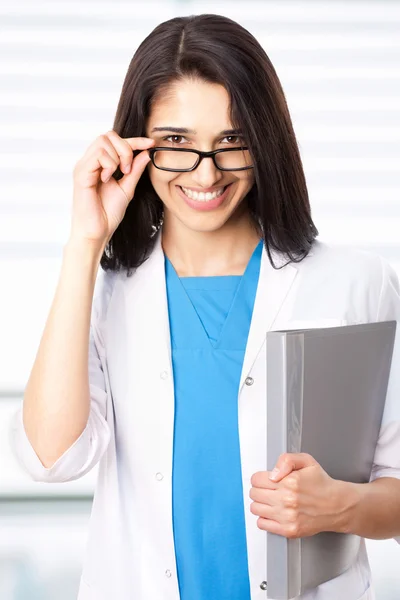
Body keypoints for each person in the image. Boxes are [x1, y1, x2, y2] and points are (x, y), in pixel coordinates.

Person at [9, 13, 400, 600]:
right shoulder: (104, 290)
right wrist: (85, 243)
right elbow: (50, 459)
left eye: (231, 141)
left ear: (264, 142)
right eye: (176, 143)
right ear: (136, 146)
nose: (207, 173)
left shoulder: (355, 282)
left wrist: (340, 504)